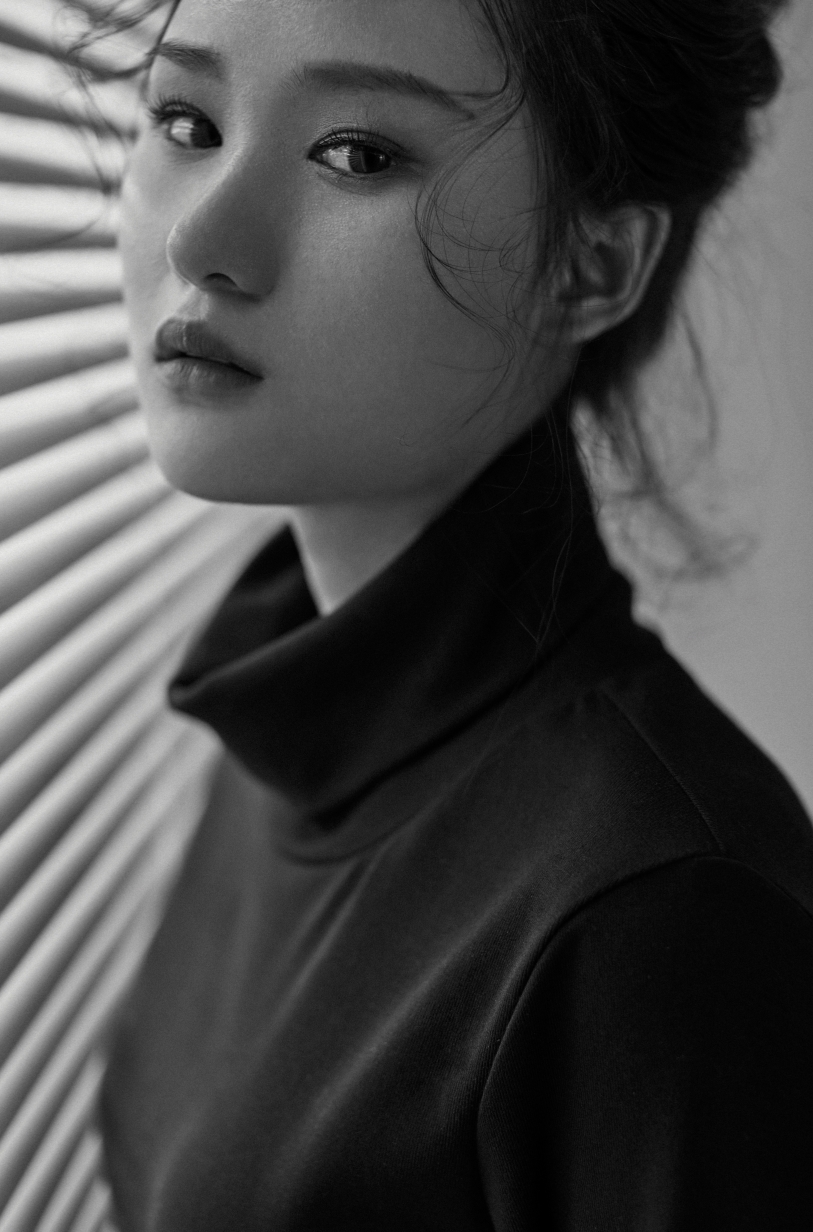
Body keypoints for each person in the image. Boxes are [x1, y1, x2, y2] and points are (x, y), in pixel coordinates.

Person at [92, 0, 813, 1228]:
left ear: (590, 268)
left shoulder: (661, 918)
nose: (202, 238)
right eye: (187, 121)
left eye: (357, 153)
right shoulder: (281, 719)